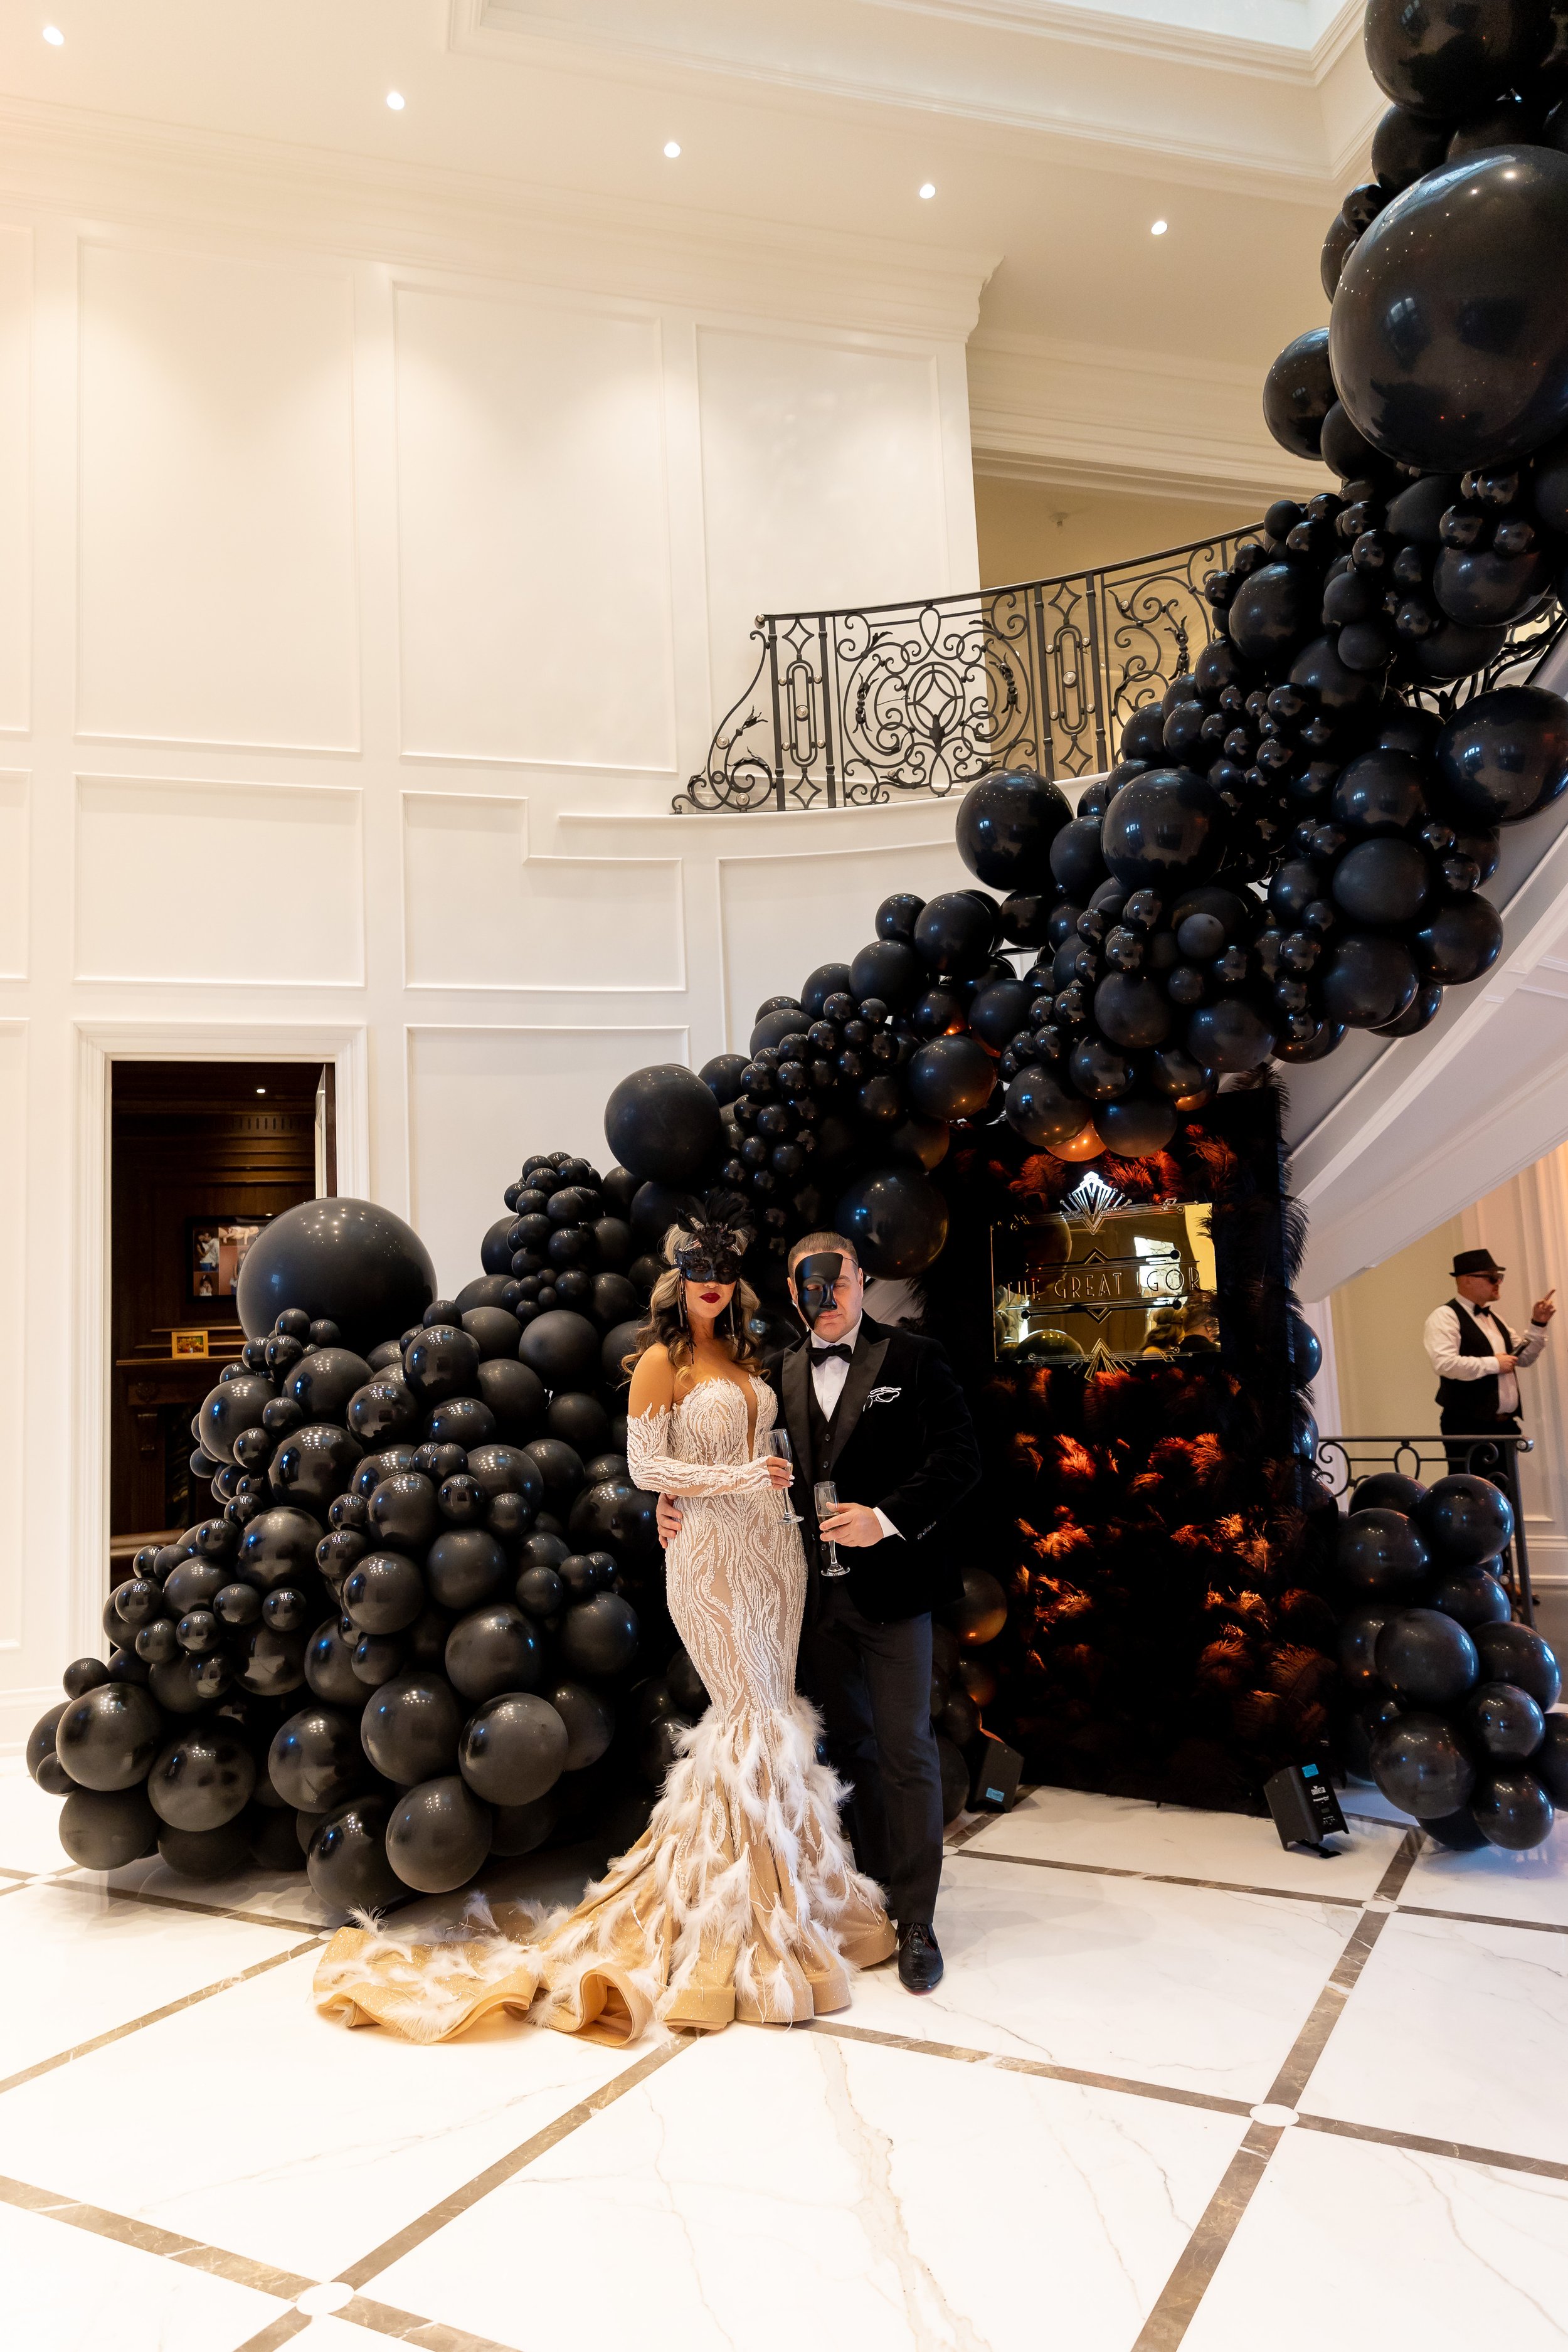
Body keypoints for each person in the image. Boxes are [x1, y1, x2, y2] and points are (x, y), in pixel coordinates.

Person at [315, 1192, 893, 2047]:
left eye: (725, 1271)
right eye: (698, 1270)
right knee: (743, 1713)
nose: (712, 1283)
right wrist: (737, 1482)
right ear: (678, 1276)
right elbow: (646, 1463)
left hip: (776, 1555)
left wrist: (767, 1491)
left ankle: (800, 1890)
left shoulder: (746, 1356)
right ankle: (727, 1921)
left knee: (775, 1715)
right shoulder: (661, 1361)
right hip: (707, 1557)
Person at [659, 1229, 981, 1995]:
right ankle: (864, 1897)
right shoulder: (775, 1372)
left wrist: (887, 1517)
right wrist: (670, 1499)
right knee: (848, 1751)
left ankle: (917, 1920)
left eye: (836, 1285)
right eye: (810, 1287)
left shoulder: (914, 1358)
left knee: (906, 1751)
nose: (825, 1300)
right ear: (794, 1292)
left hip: (895, 1591)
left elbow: (959, 1461)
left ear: (862, 1281)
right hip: (807, 1598)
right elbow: (732, 1466)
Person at [1424, 1246, 1554, 1480]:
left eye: (1500, 1277)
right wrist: (1493, 1364)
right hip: (1467, 1426)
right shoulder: (1445, 1316)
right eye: (1491, 1277)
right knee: (1472, 1495)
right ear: (1466, 1281)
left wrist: (1538, 1324)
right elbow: (1445, 1364)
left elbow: (1522, 1357)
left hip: (1504, 1427)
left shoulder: (1495, 1319)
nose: (1498, 1283)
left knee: (1505, 1493)